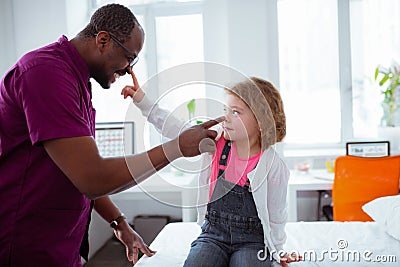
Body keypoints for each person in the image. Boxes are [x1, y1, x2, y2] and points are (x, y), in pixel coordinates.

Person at [0, 4, 221, 267]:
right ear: (103, 40)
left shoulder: (76, 80)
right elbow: (93, 177)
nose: (130, 70)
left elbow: (73, 170)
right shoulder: (44, 73)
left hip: (61, 245)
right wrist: (176, 148)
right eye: (130, 57)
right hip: (26, 244)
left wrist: (118, 221)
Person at [122, 73, 303, 266]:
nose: (225, 117)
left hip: (252, 242)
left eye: (235, 112)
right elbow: (174, 128)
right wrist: (143, 101)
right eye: (226, 109)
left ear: (261, 121)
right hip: (213, 234)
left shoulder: (273, 165)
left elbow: (277, 216)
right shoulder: (215, 140)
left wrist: (277, 251)